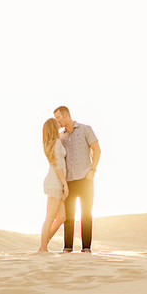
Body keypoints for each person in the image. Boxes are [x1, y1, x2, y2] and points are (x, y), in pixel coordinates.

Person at [53, 106, 100, 252]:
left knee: (86, 214)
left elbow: (97, 149)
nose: (57, 121)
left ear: (66, 115)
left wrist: (93, 170)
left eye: (58, 117)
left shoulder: (86, 129)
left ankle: (86, 248)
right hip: (69, 182)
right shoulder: (61, 136)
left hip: (85, 179)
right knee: (69, 217)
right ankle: (67, 247)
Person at [38, 117, 69, 252]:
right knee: (50, 216)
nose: (58, 123)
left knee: (62, 217)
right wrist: (65, 184)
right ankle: (43, 247)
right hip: (56, 182)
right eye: (56, 122)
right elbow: (58, 166)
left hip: (54, 181)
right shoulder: (56, 143)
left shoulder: (54, 143)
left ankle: (43, 244)